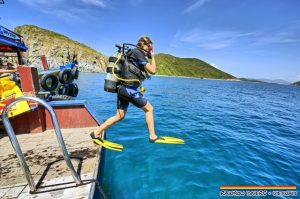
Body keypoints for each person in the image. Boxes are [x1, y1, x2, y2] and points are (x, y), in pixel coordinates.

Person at [90, 36, 161, 142]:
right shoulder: (137, 53)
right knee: (149, 109)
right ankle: (152, 136)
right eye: (149, 46)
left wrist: (149, 54)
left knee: (120, 115)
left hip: (122, 88)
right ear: (143, 45)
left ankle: (96, 133)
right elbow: (153, 70)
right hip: (128, 89)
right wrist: (153, 56)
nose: (150, 49)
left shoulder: (132, 53)